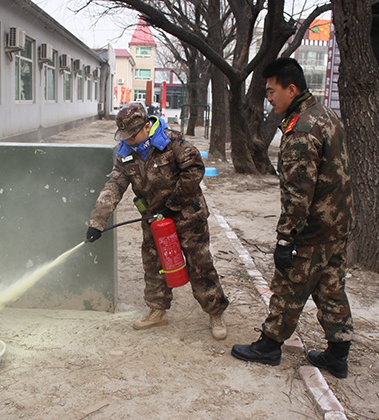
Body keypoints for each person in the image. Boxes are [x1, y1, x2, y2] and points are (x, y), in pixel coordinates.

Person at [231, 57, 355, 378]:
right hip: (337, 224)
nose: (268, 98)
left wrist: (286, 239)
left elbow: (299, 194)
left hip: (312, 229)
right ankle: (337, 355)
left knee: (289, 283)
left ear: (291, 88)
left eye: (272, 91)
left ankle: (269, 346)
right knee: (330, 286)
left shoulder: (301, 128)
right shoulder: (326, 115)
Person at [85, 103, 230, 340]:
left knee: (199, 264)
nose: (128, 140)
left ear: (145, 127)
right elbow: (113, 187)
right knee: (153, 264)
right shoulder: (125, 154)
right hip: (154, 218)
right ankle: (157, 310)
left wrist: (172, 205)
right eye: (124, 136)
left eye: (132, 135)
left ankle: (215, 312)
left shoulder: (172, 142)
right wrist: (97, 222)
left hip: (187, 215)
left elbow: (194, 169)